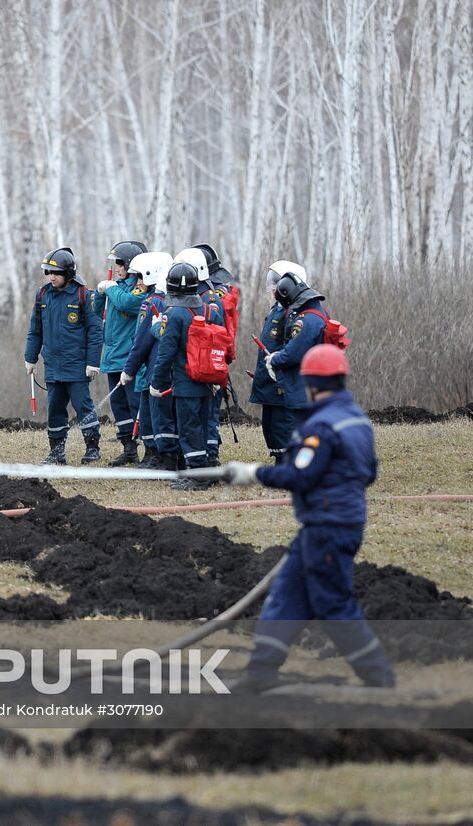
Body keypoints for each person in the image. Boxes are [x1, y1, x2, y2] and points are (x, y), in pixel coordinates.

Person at [192, 346, 395, 691]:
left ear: (312, 382)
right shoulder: (357, 419)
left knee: (332, 603)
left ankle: (379, 677)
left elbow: (300, 476)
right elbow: (369, 472)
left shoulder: (320, 426)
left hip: (328, 527)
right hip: (330, 523)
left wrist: (255, 473)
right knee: (286, 595)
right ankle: (260, 674)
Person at [149, 260, 227, 490]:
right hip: (209, 378)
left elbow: (166, 353)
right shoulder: (208, 309)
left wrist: (156, 382)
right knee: (204, 424)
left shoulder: (174, 314)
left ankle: (196, 474)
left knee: (189, 427)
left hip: (185, 381)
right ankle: (206, 469)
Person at [24, 247, 103, 465]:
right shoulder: (43, 295)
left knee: (83, 406)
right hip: (53, 366)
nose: (51, 277)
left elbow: (95, 331)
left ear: (68, 273)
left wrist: (93, 362)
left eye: (55, 273)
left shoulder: (83, 295)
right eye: (48, 272)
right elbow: (35, 329)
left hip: (76, 365)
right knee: (55, 409)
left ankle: (92, 448)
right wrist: (30, 358)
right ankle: (57, 452)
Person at [96, 240, 149, 465]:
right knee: (118, 407)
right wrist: (99, 294)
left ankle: (150, 450)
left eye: (119, 262)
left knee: (135, 405)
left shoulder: (139, 288)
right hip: (113, 356)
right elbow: (95, 311)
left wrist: (110, 288)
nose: (117, 267)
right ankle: (128, 448)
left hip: (130, 358)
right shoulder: (116, 287)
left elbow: (128, 303)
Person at [250, 260, 309, 462]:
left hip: (281, 378)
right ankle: (279, 457)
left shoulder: (291, 312)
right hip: (269, 376)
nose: (272, 287)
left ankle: (288, 461)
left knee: (284, 423)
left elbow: (289, 345)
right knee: (271, 423)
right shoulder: (276, 308)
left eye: (277, 283)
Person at [120, 251, 172, 468]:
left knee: (152, 412)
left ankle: (154, 456)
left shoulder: (152, 303)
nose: (137, 282)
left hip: (153, 368)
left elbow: (141, 341)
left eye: (140, 277)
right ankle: (160, 455)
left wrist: (129, 369)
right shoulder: (172, 301)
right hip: (167, 369)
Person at [176, 246, 227, 467]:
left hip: (205, 369)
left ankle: (209, 456)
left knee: (206, 417)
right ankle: (206, 457)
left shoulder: (206, 298)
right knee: (204, 416)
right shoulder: (204, 294)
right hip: (206, 367)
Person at [195, 242, 242, 465]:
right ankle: (210, 450)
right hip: (220, 356)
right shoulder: (223, 293)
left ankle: (210, 455)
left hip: (210, 357)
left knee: (207, 411)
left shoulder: (210, 297)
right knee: (210, 410)